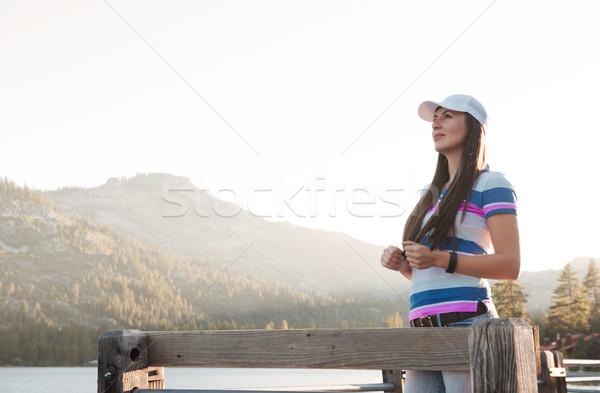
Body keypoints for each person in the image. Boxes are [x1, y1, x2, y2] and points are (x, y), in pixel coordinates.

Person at [380, 94, 520, 393]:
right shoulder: (427, 195)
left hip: (467, 327)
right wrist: (406, 265)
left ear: (472, 128)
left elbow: (510, 264)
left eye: (447, 116)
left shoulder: (491, 184)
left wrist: (438, 258)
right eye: (434, 119)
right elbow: (429, 273)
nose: (436, 124)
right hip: (421, 330)